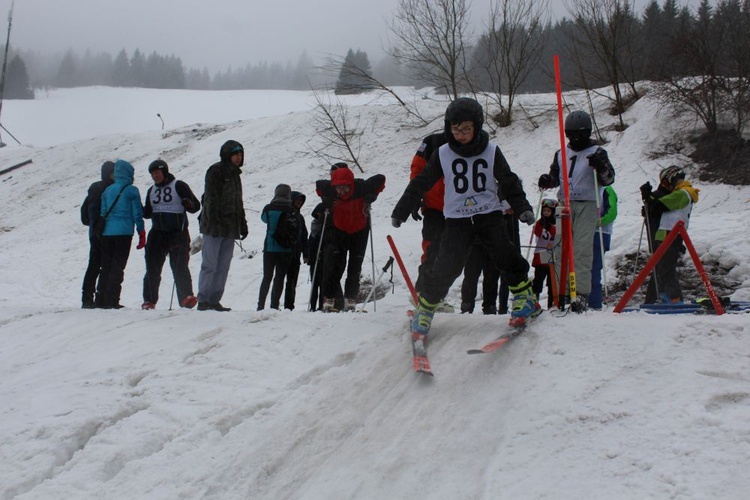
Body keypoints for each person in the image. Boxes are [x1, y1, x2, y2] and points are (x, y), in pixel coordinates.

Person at [391, 97, 540, 335]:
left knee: (505, 254)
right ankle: (426, 309)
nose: (460, 135)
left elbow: (508, 181)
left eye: (466, 129)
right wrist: (401, 209)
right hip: (457, 220)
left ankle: (524, 298)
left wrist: (522, 207)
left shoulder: (492, 152)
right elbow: (422, 182)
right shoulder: (442, 154)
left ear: (477, 126)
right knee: (445, 266)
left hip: (488, 216)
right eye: (455, 129)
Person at [538, 110, 615, 313]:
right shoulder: (561, 153)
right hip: (565, 203)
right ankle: (559, 291)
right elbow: (556, 177)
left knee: (581, 250)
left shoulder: (598, 151)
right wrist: (547, 180)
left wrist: (601, 167)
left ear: (587, 132)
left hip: (587, 203)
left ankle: (580, 294)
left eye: (580, 134)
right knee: (558, 248)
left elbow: (608, 179)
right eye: (571, 134)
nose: (576, 139)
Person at [315, 163, 386, 312]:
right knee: (336, 266)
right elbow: (319, 185)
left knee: (355, 267)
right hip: (339, 231)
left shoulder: (361, 187)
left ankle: (350, 300)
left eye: (345, 187)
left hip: (360, 232)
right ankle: (329, 299)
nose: (341, 191)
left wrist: (373, 195)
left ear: (351, 184)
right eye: (338, 188)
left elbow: (381, 179)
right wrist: (326, 199)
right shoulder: (331, 189)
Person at [140, 160, 201, 310]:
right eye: (152, 174)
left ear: (165, 172)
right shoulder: (151, 190)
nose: (155, 176)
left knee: (179, 265)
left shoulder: (179, 185)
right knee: (152, 267)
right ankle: (149, 300)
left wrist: (188, 203)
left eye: (157, 173)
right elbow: (147, 213)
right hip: (157, 233)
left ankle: (186, 297)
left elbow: (196, 207)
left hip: (177, 233)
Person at [196, 140, 248, 312]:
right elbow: (210, 198)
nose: (239, 157)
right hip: (214, 227)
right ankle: (203, 299)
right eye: (235, 154)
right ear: (227, 154)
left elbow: (237, 202)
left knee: (223, 266)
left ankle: (214, 299)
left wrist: (243, 223)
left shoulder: (236, 175)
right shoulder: (215, 171)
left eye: (240, 154)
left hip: (230, 227)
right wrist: (214, 221)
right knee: (210, 264)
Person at [641, 165, 699, 304]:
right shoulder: (681, 192)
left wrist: (649, 198)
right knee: (662, 268)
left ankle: (675, 299)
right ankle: (660, 298)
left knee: (666, 270)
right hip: (665, 233)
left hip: (671, 235)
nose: (667, 187)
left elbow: (660, 204)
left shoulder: (684, 193)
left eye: (667, 183)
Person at [95, 159, 145, 309]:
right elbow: (137, 213)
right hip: (123, 232)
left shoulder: (108, 190)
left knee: (106, 266)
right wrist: (141, 232)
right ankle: (112, 300)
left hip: (107, 233)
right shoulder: (131, 190)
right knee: (118, 266)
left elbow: (103, 212)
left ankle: (100, 299)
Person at [409, 132, 449, 305]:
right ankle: (421, 293)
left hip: (458, 209)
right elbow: (417, 170)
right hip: (434, 207)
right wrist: (414, 197)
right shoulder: (431, 142)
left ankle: (436, 297)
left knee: (450, 255)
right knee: (432, 250)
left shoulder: (471, 142)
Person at [459, 202, 517, 315]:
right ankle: (467, 305)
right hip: (475, 242)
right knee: (471, 274)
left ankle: (490, 306)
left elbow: (508, 209)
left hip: (493, 240)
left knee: (491, 275)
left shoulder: (497, 194)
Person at [80, 160, 115, 308]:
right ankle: (89, 299)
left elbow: (84, 216)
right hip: (100, 233)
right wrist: (97, 227)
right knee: (97, 266)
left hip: (96, 232)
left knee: (96, 266)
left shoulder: (97, 188)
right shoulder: (103, 189)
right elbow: (91, 213)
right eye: (113, 173)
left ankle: (92, 298)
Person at [257, 184, 294, 310]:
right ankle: (274, 305)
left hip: (270, 247)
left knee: (267, 276)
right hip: (285, 248)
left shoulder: (269, 208)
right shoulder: (291, 209)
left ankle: (260, 305)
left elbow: (263, 220)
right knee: (280, 277)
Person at [588, 185, 618, 310]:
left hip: (600, 232)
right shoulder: (587, 188)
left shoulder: (606, 189)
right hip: (586, 232)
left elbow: (612, 212)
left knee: (594, 267)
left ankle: (594, 302)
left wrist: (594, 223)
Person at [283, 191, 309, 310]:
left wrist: (305, 253)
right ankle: (275, 304)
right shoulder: (286, 214)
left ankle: (289, 305)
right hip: (284, 252)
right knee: (281, 279)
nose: (299, 202)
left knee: (292, 281)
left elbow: (304, 236)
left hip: (295, 254)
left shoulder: (300, 217)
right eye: (297, 200)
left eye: (301, 201)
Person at [531, 199, 558, 309]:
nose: (546, 213)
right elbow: (537, 233)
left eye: (548, 211)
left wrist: (549, 227)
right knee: (538, 279)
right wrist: (541, 224)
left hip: (552, 255)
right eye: (544, 211)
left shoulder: (556, 223)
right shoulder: (540, 222)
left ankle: (551, 303)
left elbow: (556, 235)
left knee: (551, 282)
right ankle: (534, 301)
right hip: (540, 255)